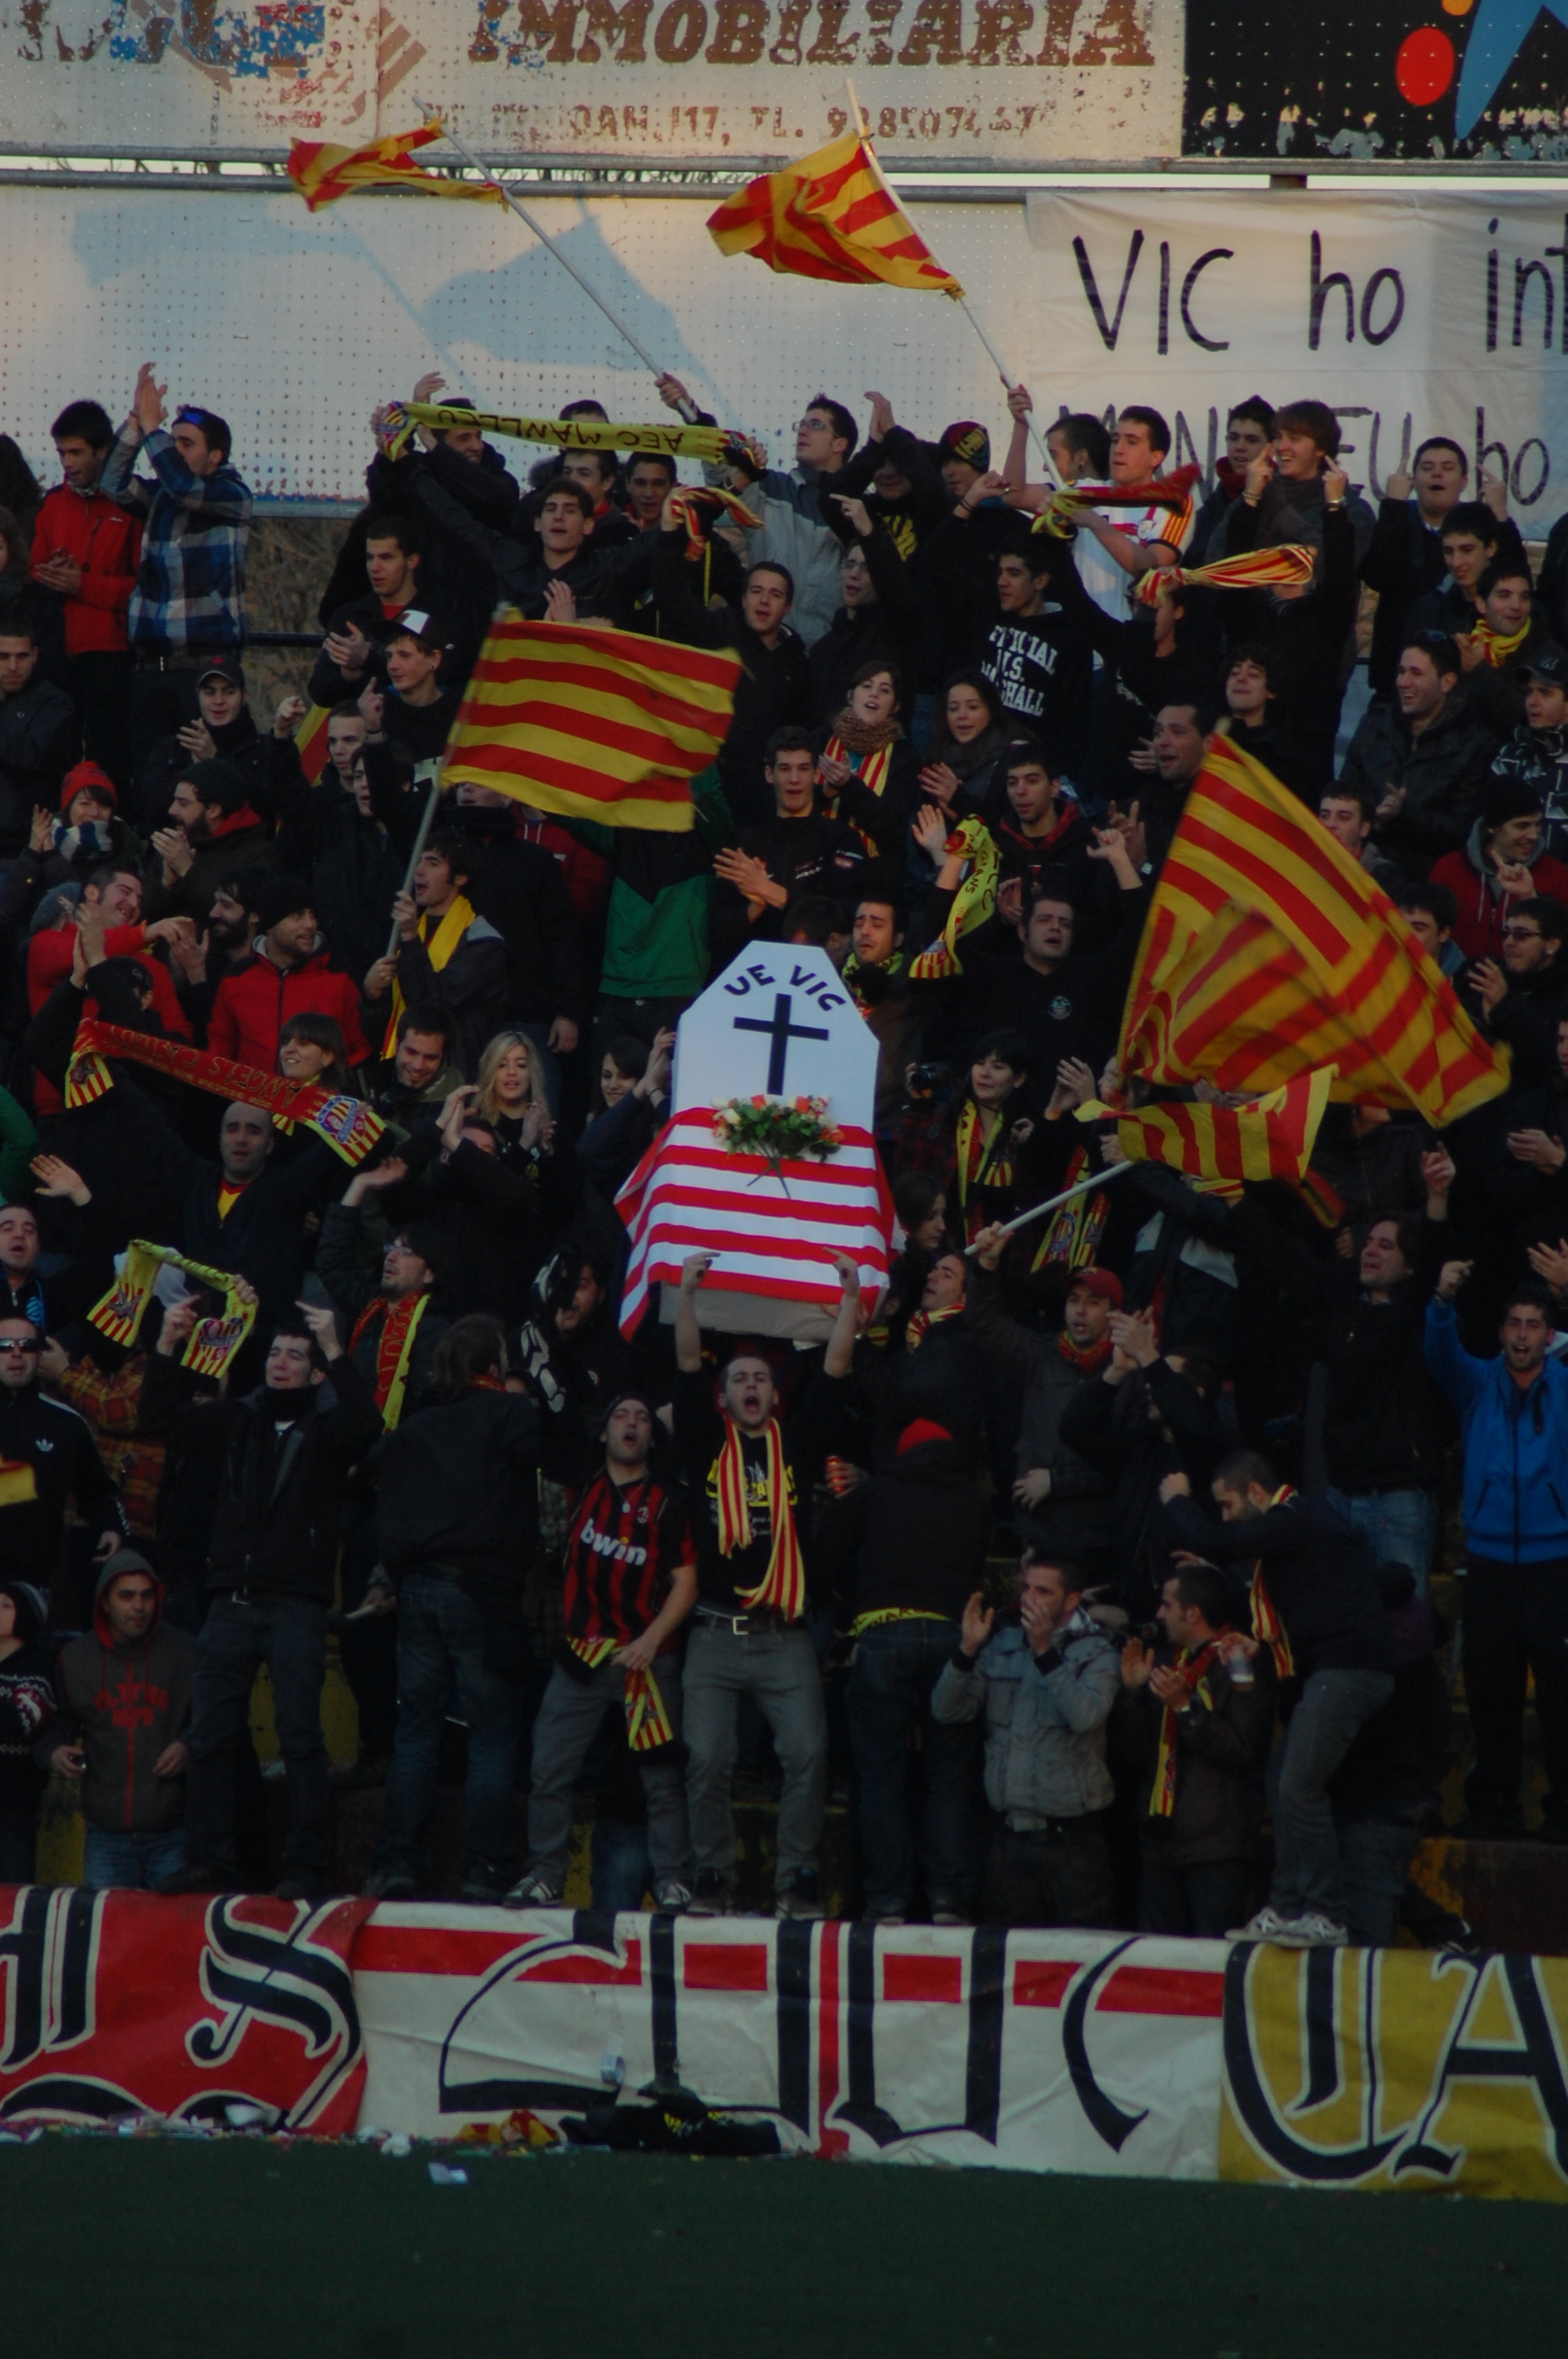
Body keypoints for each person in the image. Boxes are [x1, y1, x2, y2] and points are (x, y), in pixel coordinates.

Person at [146, 1294, 381, 1899]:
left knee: (300, 1735)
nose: (280, 1362)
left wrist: (336, 1345)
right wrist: (168, 1346)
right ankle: (212, 1861)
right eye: (275, 1351)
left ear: (314, 1370)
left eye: (295, 1355)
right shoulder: (240, 1417)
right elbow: (162, 1420)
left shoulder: (328, 1428)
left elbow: (367, 1427)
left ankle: (305, 1865)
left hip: (295, 1604)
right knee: (213, 1734)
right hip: (230, 1599)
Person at [673, 1248, 858, 1919]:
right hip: (715, 1634)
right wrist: (688, 1295)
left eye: (760, 1378)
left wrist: (851, 1298)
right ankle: (715, 1878)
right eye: (739, 1379)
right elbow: (689, 1363)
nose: (750, 1386)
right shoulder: (704, 1440)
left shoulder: (798, 1444)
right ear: (725, 1398)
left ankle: (797, 1878)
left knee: (809, 1754)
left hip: (784, 1637)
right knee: (707, 1759)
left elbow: (835, 1370)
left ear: (775, 1395)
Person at [1161, 1451, 1394, 1947]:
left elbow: (1213, 1541)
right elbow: (1313, 1603)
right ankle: (1288, 1907)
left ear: (1255, 1494)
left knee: (1298, 1786)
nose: (1224, 1517)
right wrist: (1262, 1644)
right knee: (1280, 1780)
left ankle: (1327, 1913)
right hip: (1334, 1669)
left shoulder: (1297, 1518)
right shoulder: (1295, 1540)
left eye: (1226, 1505)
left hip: (1348, 1670)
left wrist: (1178, 1500)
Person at [362, 1314, 540, 1902]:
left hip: (416, 1593)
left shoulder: (417, 1425)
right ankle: (483, 1871)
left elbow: (368, 1473)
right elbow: (557, 1452)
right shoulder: (510, 1414)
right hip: (482, 1595)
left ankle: (395, 1864)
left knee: (415, 1733)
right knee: (491, 1737)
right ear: (495, 1365)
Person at [507, 1392, 698, 1911]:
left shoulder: (668, 1501)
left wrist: (650, 1641)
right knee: (549, 1766)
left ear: (651, 1436)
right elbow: (558, 1404)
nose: (631, 1424)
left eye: (641, 1417)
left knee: (662, 1779)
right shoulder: (581, 1481)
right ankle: (545, 1874)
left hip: (649, 1660)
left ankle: (674, 1880)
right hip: (584, 1655)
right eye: (620, 1416)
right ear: (604, 1431)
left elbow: (686, 1583)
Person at [821, 1415, 990, 1925]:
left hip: (883, 1638)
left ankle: (888, 1903)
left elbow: (824, 1559)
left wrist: (850, 1610)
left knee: (879, 1778)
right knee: (947, 1775)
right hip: (951, 1643)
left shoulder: (876, 1493)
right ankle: (946, 1902)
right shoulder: (975, 1500)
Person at [1425, 1263, 1568, 1841]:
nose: (1521, 1334)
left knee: (1560, 1696)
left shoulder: (1563, 1384)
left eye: (1534, 1324)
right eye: (1513, 1323)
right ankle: (1493, 1812)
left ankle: (1563, 1814)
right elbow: (1440, 1353)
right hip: (1487, 1561)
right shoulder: (1478, 1382)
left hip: (1554, 1560)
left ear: (1548, 1335)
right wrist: (1441, 1300)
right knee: (1490, 1692)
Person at [930, 1549, 1120, 1928]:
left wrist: (1045, 1651)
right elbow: (945, 1710)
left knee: (1078, 1954)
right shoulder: (1002, 1645)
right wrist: (967, 1649)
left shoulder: (1098, 1651)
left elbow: (1085, 1716)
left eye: (1044, 1592)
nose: (1030, 1599)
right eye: (1027, 1588)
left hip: (1073, 1840)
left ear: (1071, 1600)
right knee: (1007, 1959)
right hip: (1009, 1835)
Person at [98, 366, 252, 776]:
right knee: (150, 779)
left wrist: (154, 430)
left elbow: (187, 489)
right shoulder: (161, 497)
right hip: (152, 669)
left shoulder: (232, 494)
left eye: (186, 443)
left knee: (202, 780)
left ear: (215, 455)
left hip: (204, 671)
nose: (173, 449)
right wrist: (135, 423)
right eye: (173, 440)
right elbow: (113, 484)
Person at [1118, 1561, 1273, 1938]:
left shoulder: (1240, 1661)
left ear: (1193, 1613)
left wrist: (1185, 1708)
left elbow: (1239, 1748)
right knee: (1155, 1964)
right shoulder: (1171, 1662)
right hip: (1160, 1844)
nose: (1158, 1614)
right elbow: (1135, 1754)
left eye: (1166, 1605)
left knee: (1211, 1962)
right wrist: (1136, 1694)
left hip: (1215, 1849)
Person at [39, 1547, 194, 1891]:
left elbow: (216, 1721)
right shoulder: (76, 1659)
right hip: (105, 1837)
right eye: (126, 1596)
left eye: (146, 1596)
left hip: (172, 1833)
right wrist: (54, 1751)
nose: (138, 1606)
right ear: (105, 1602)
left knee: (169, 1941)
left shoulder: (185, 1652)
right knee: (108, 1939)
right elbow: (56, 1722)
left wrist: (189, 1745)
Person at [965, 1237, 1118, 1581]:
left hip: (1095, 1536)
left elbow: (1123, 1460)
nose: (1080, 1310)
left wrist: (1056, 1482)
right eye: (1074, 1299)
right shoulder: (1040, 1355)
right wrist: (986, 1266)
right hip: (1038, 1529)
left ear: (1114, 1314)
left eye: (1093, 1302)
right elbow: (983, 1321)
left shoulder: (1126, 1372)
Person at [29, 398, 141, 783]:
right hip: (59, 648)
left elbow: (143, 589)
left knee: (108, 754)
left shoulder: (129, 506)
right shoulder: (54, 504)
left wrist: (83, 584)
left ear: (102, 451)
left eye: (76, 452)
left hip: (110, 651)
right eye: (61, 452)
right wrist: (51, 575)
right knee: (57, 751)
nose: (66, 463)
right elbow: (34, 569)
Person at [0, 1313, 127, 1616]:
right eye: (5, 1345)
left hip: (30, 1581)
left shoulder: (67, 1424)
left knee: (27, 1665)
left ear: (40, 1354)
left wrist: (109, 1525)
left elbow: (96, 1492)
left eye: (27, 1345)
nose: (16, 1353)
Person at [1341, 631, 1499, 875]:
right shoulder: (1374, 727)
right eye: (1401, 671)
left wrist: (1404, 815)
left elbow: (1461, 831)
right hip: (1361, 874)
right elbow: (1345, 797)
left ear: (1447, 682)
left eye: (1416, 673)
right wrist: (1375, 820)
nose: (1403, 682)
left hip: (1427, 882)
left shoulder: (1474, 745)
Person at [364, 829, 507, 1077]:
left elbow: (434, 1005)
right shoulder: (406, 930)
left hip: (454, 1079)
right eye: (419, 861)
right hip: (402, 1073)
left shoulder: (483, 942)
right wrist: (372, 996)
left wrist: (410, 936)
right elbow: (388, 1025)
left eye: (432, 863)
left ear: (460, 878)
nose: (419, 870)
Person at [206, 874, 372, 1075]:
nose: (310, 924)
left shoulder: (340, 977)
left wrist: (331, 1085)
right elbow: (221, 1044)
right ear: (270, 925)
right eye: (298, 916)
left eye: (312, 915)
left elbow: (362, 1048)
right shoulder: (235, 978)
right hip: (252, 1101)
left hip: (320, 1102)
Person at [1429, 776, 1568, 961]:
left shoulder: (1557, 875)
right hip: (1456, 983)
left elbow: (1561, 945)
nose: (1534, 835)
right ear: (1492, 828)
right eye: (1522, 826)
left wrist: (1530, 898)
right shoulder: (1449, 869)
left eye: (1537, 824)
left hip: (1528, 986)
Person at [142, 754, 278, 925]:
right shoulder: (175, 846)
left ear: (213, 810)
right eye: (174, 801)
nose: (172, 810)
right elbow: (141, 917)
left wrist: (187, 870)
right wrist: (166, 885)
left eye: (183, 804)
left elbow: (239, 914)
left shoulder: (257, 854)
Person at [0, 623, 78, 848]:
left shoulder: (55, 703)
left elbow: (29, 757)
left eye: (21, 657)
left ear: (35, 656)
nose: (13, 666)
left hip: (23, 835)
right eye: (3, 657)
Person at [0, 1579, 56, 1883]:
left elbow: (24, 1718)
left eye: (6, 1605)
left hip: (12, 1806)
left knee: (10, 1897)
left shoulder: (36, 1666)